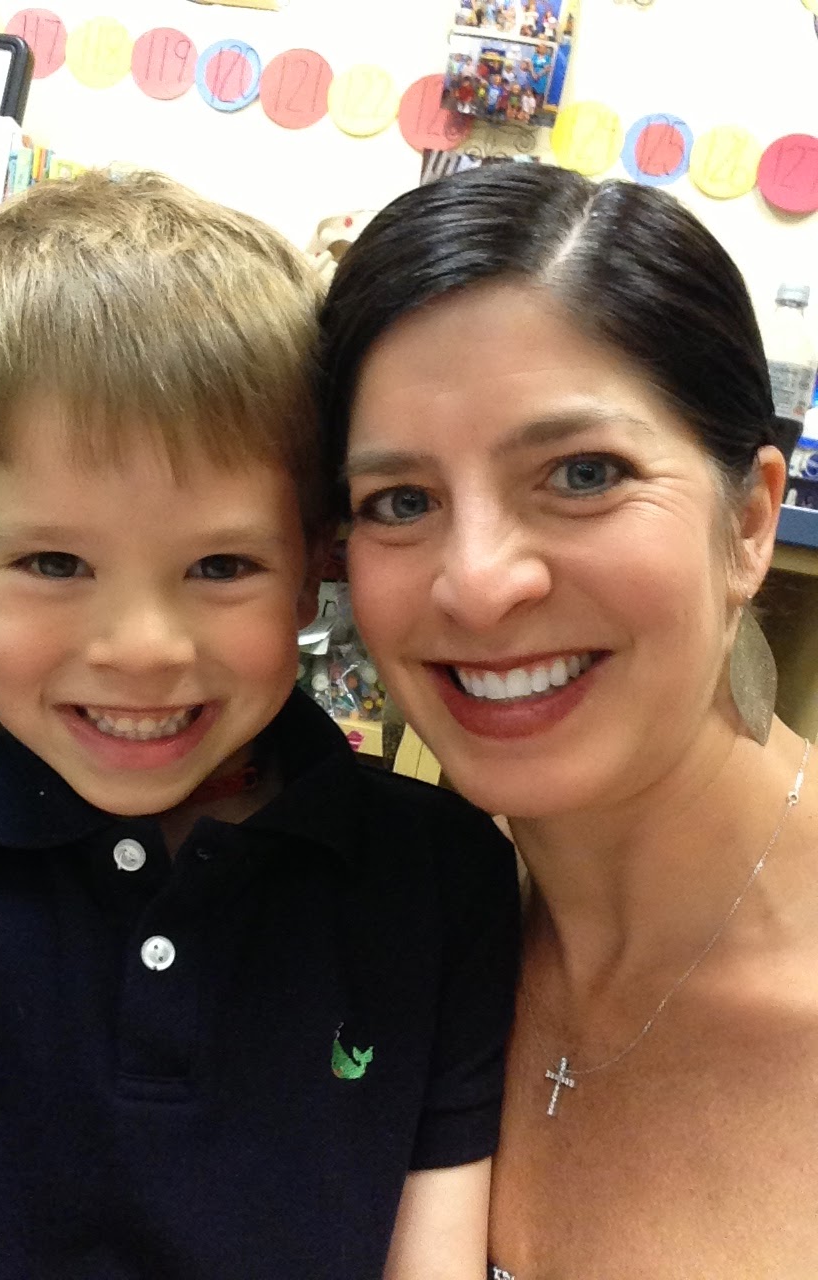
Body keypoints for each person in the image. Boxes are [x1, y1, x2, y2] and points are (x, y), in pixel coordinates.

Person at [0, 170, 521, 1280]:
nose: (142, 648)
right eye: (54, 562)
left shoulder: (444, 879)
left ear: (314, 563)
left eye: (220, 565)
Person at [319, 162, 818, 1277]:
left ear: (749, 521)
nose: (477, 584)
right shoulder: (388, 941)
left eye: (584, 473)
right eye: (400, 501)